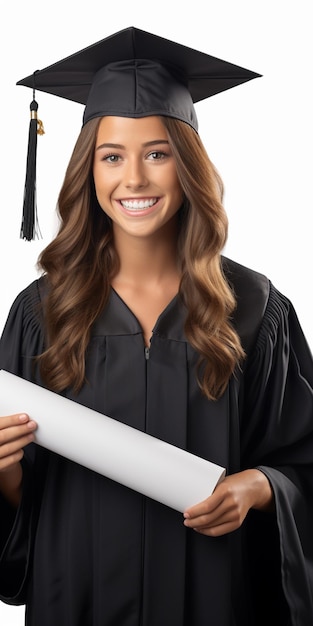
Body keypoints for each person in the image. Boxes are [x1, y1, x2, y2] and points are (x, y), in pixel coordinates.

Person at [0, 26, 312, 626]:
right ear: (87, 172)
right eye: (112, 155)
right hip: (78, 600)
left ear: (187, 165)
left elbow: (303, 461)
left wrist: (259, 488)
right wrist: (5, 469)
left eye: (158, 153)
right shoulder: (41, 312)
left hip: (217, 601)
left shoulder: (254, 307)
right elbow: (23, 504)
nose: (135, 179)